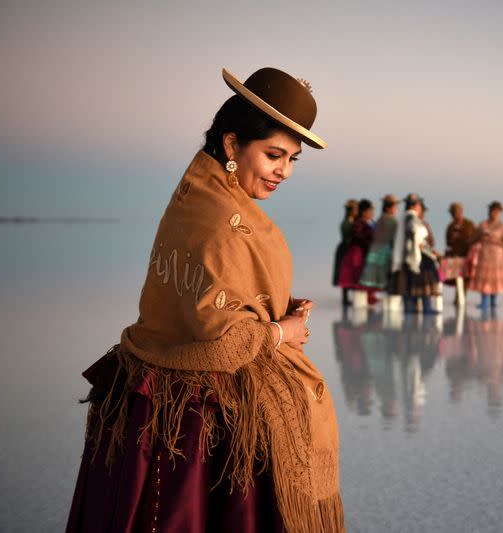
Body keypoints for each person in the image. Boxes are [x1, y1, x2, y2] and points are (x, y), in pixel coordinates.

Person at [66, 67, 344, 533]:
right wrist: (282, 330)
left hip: (166, 398)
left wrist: (266, 303)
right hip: (199, 431)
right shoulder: (220, 219)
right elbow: (220, 344)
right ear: (233, 145)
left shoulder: (200, 193)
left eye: (293, 159)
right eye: (274, 155)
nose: (285, 172)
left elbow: (207, 293)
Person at [388, 194, 439, 314]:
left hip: (402, 260)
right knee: (412, 292)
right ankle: (418, 320)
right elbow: (419, 242)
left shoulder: (401, 219)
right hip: (412, 261)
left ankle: (410, 320)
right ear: (416, 205)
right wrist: (434, 255)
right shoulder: (413, 220)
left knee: (407, 292)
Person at [469, 201, 503, 310]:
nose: (494, 213)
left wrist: (496, 242)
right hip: (484, 254)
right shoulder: (483, 225)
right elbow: (474, 238)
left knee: (495, 279)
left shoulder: (502, 226)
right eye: (492, 211)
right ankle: (484, 301)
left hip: (497, 256)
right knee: (484, 278)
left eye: (496, 211)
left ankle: (493, 301)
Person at [337, 199, 377, 304]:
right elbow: (356, 237)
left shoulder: (360, 222)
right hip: (355, 252)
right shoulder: (356, 223)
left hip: (359, 252)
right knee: (354, 277)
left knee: (355, 278)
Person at [359, 194, 399, 292]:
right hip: (384, 253)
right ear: (389, 208)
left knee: (375, 281)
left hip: (375, 252)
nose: (397, 209)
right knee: (386, 281)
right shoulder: (391, 220)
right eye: (395, 206)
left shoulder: (380, 219)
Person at [333, 199, 358, 306]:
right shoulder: (348, 222)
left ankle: (347, 298)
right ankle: (345, 299)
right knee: (345, 274)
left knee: (348, 274)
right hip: (346, 249)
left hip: (346, 248)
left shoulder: (349, 221)